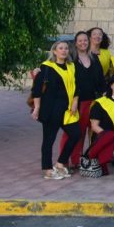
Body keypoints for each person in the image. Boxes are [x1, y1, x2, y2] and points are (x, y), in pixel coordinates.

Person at [32, 40, 80, 180]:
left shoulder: (71, 66)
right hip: (51, 109)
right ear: (54, 51)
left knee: (76, 134)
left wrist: (75, 101)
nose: (64, 51)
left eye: (66, 48)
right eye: (60, 48)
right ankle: (47, 169)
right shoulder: (46, 67)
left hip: (68, 110)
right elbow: (36, 90)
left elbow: (77, 86)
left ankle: (60, 163)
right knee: (49, 139)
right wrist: (37, 108)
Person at [64, 30, 106, 169]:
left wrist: (104, 93)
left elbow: (100, 78)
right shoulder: (71, 60)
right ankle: (71, 160)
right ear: (75, 43)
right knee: (76, 133)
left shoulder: (94, 58)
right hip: (77, 102)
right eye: (80, 40)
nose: (83, 43)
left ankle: (91, 159)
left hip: (93, 101)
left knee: (94, 132)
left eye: (85, 40)